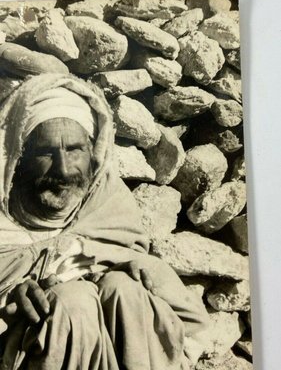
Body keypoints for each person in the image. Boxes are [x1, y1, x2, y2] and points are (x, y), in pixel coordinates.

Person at [0, 73, 209, 370]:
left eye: (74, 149)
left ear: (93, 151)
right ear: (19, 157)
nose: (63, 169)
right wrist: (13, 295)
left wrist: (128, 275)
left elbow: (187, 320)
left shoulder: (108, 201)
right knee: (71, 301)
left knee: (124, 290)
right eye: (46, 152)